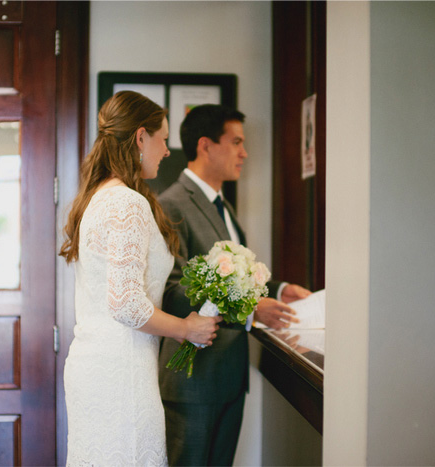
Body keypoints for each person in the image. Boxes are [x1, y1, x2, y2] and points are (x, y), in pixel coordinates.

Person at [60, 91, 222, 466]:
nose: (167, 150)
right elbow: (127, 304)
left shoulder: (100, 196)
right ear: (139, 137)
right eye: (163, 139)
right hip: (121, 373)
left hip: (98, 366)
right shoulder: (126, 204)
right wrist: (187, 329)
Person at [157, 104, 311, 466]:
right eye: (236, 142)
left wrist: (278, 289)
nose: (244, 152)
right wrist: (253, 309)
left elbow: (236, 280)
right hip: (194, 381)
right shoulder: (171, 205)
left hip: (227, 377)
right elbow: (174, 292)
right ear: (205, 145)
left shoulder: (222, 206)